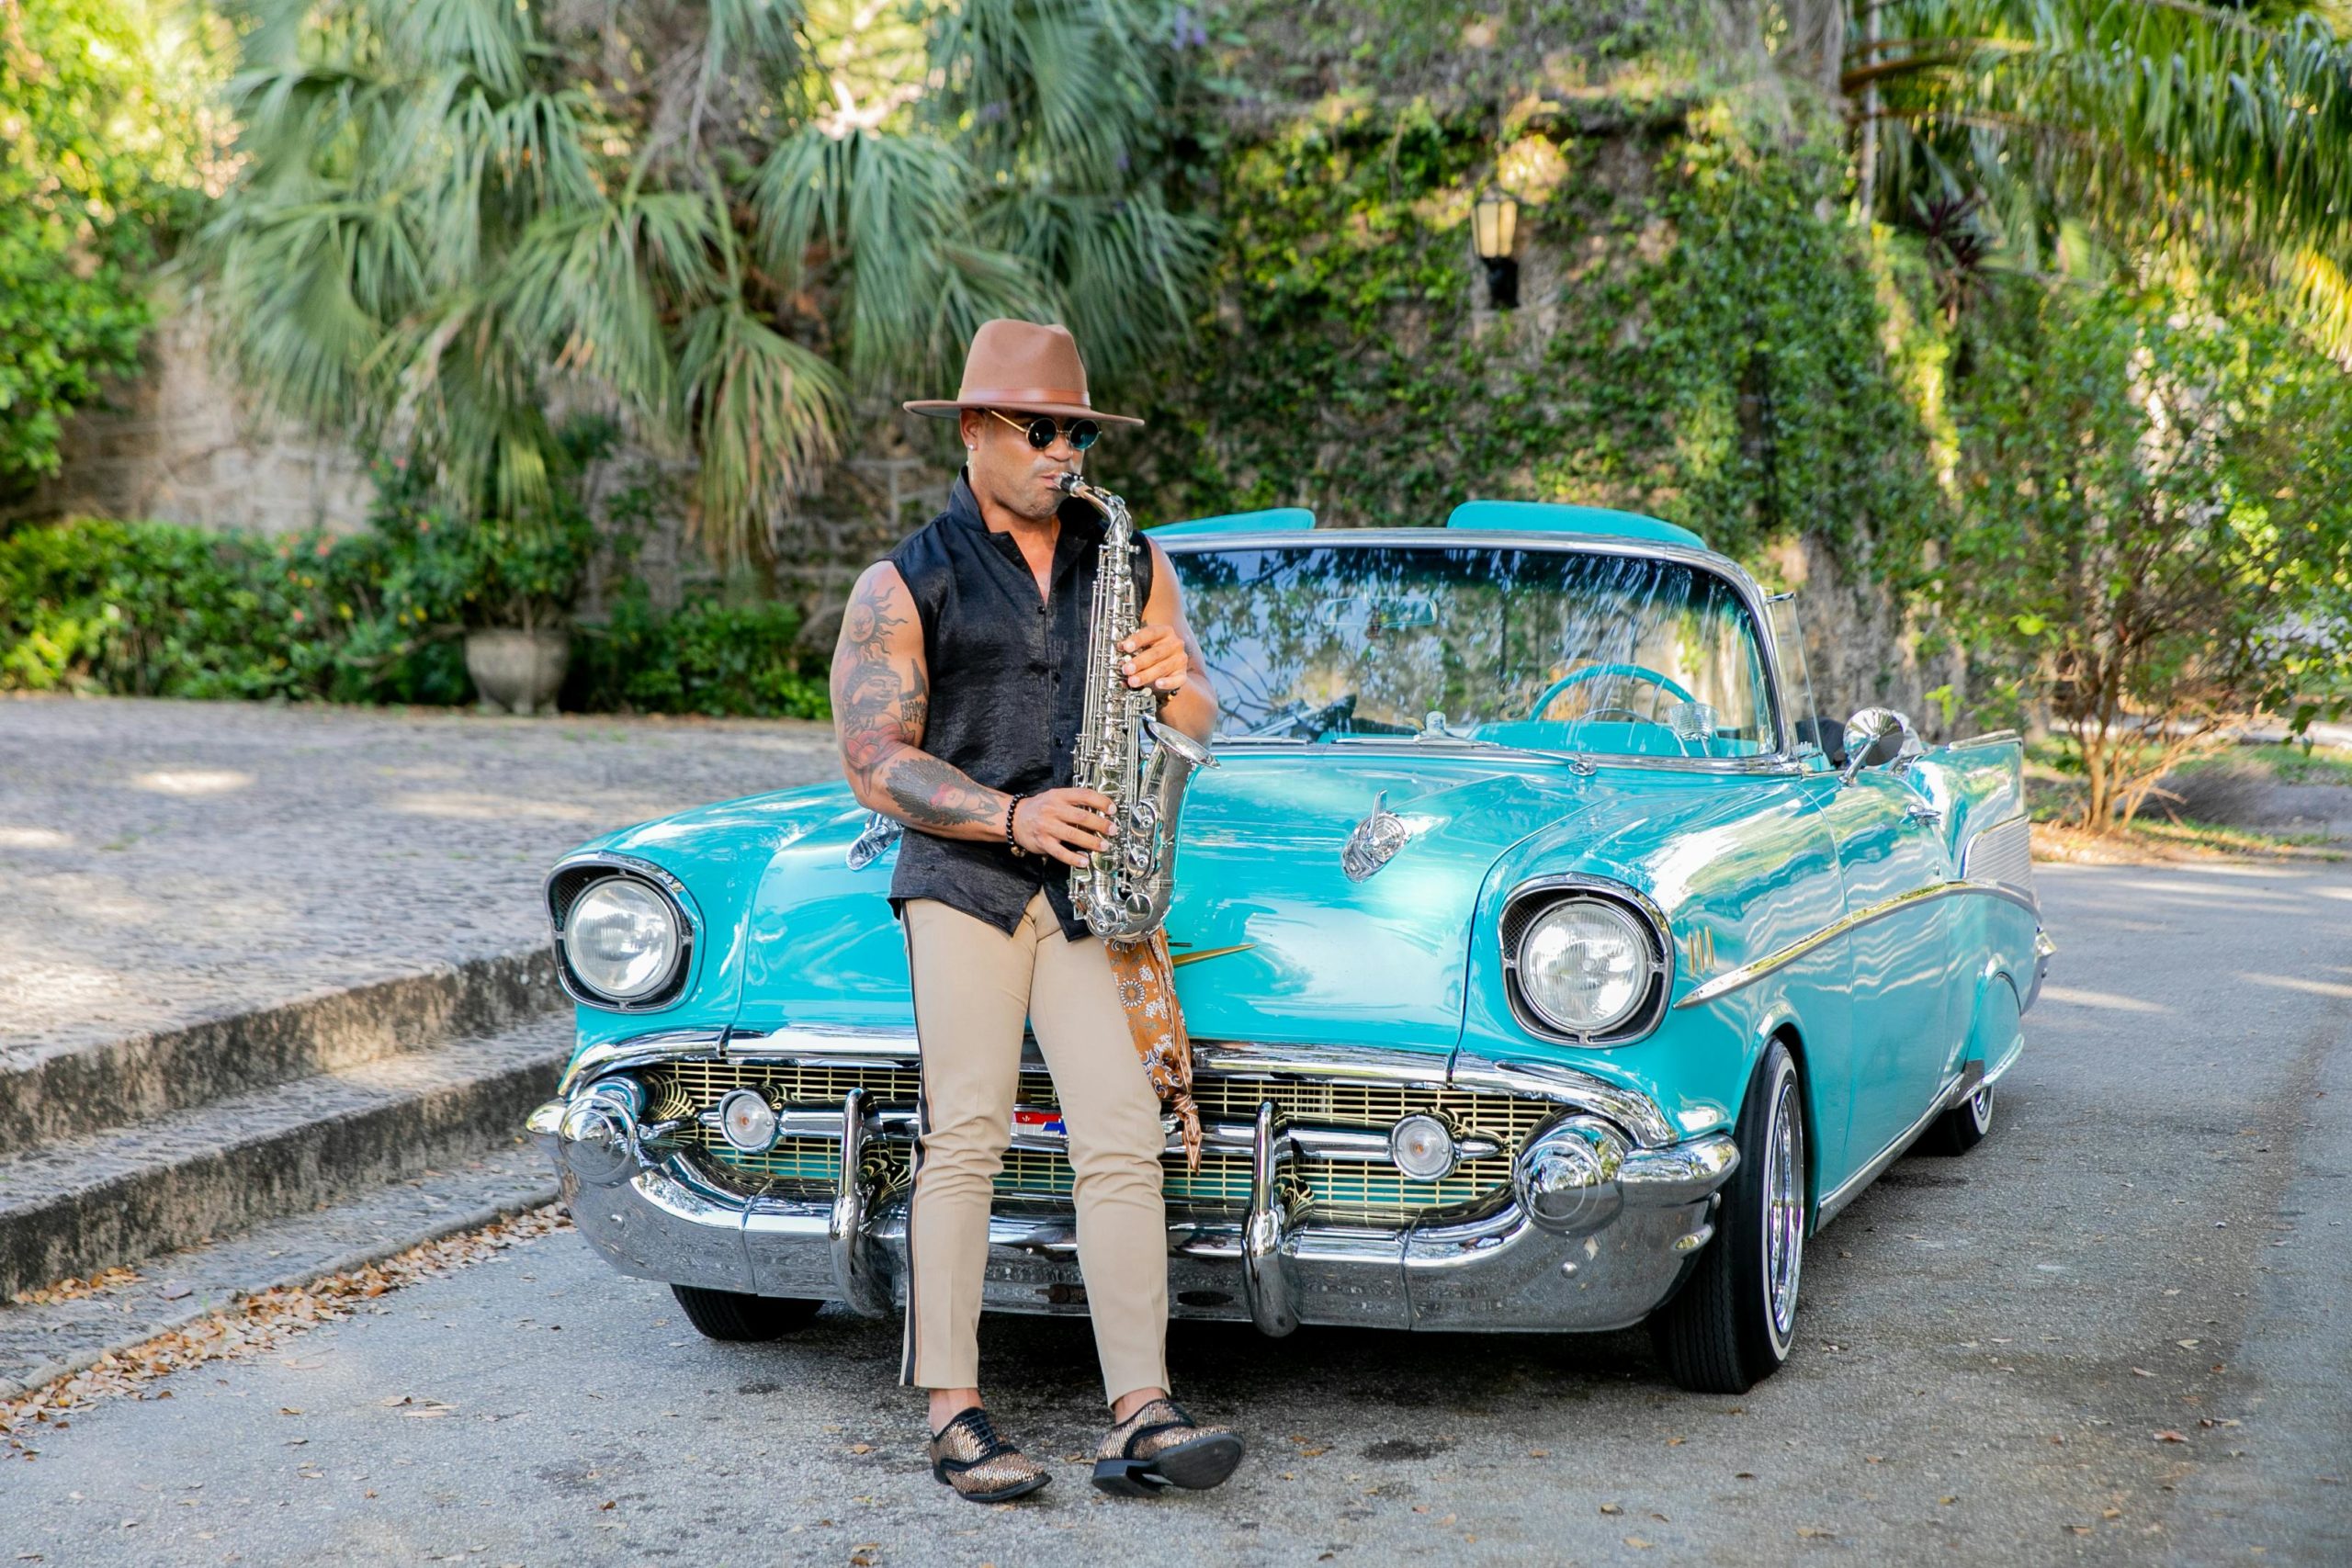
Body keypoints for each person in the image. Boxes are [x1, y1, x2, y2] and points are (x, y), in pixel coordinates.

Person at [829, 318, 1244, 1504]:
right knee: (965, 1130)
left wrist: (1180, 685)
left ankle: (1141, 1412)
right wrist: (1012, 820)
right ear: (975, 431)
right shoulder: (904, 579)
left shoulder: (1127, 548)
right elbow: (870, 757)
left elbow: (1202, 713)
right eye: (1042, 429)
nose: (1065, 450)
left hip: (1088, 891)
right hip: (967, 881)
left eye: (1077, 430)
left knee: (1121, 1133)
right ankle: (955, 1413)